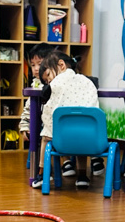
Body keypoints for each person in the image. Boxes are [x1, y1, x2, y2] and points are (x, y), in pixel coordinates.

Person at [33, 51, 100, 189]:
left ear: (61, 65)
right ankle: (82, 176)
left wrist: (47, 131)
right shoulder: (87, 81)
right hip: (89, 137)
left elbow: (48, 114)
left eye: (48, 76)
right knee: (81, 135)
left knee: (45, 137)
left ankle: (41, 173)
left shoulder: (56, 84)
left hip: (61, 138)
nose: (49, 82)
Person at [19, 43, 51, 144]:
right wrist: (25, 126)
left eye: (40, 64)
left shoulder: (55, 84)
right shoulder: (36, 85)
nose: (36, 68)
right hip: (39, 129)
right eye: (33, 65)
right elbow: (29, 108)